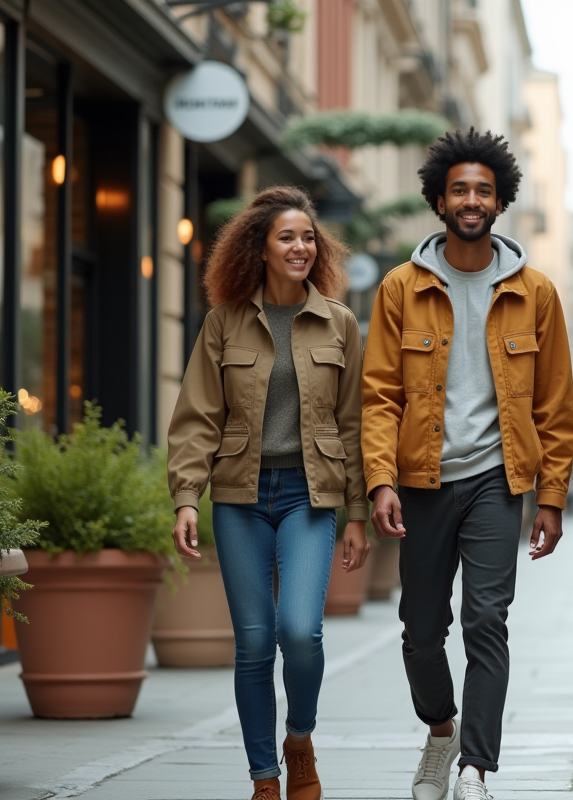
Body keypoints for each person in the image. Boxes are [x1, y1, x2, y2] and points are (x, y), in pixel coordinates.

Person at [361, 128, 573, 800]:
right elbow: (379, 395)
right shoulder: (401, 287)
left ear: (501, 200)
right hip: (421, 480)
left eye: (484, 189)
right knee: (422, 631)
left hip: (495, 480)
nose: (472, 199)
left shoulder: (535, 292)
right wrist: (380, 479)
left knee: (488, 620)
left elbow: (554, 405)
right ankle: (440, 730)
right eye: (460, 189)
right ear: (439, 200)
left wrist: (549, 496)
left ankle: (476, 766)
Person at [168, 186, 369, 800]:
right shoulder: (223, 323)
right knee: (254, 641)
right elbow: (198, 415)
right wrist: (185, 496)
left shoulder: (339, 322)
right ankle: (264, 778)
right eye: (287, 237)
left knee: (301, 631)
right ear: (259, 247)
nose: (301, 246)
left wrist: (357, 511)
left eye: (308, 237)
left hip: (310, 495)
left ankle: (299, 738)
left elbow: (356, 422)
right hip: (239, 496)